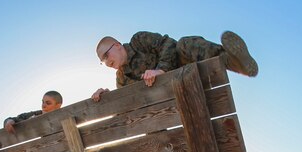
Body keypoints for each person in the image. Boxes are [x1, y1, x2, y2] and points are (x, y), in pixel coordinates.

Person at [92, 31, 258, 101]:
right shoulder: (122, 78)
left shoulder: (138, 41)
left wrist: (161, 70)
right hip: (169, 99)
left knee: (184, 43)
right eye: (102, 61)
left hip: (184, 70)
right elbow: (125, 101)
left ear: (117, 45)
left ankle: (234, 62)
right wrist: (106, 97)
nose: (106, 62)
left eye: (106, 55)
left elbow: (168, 43)